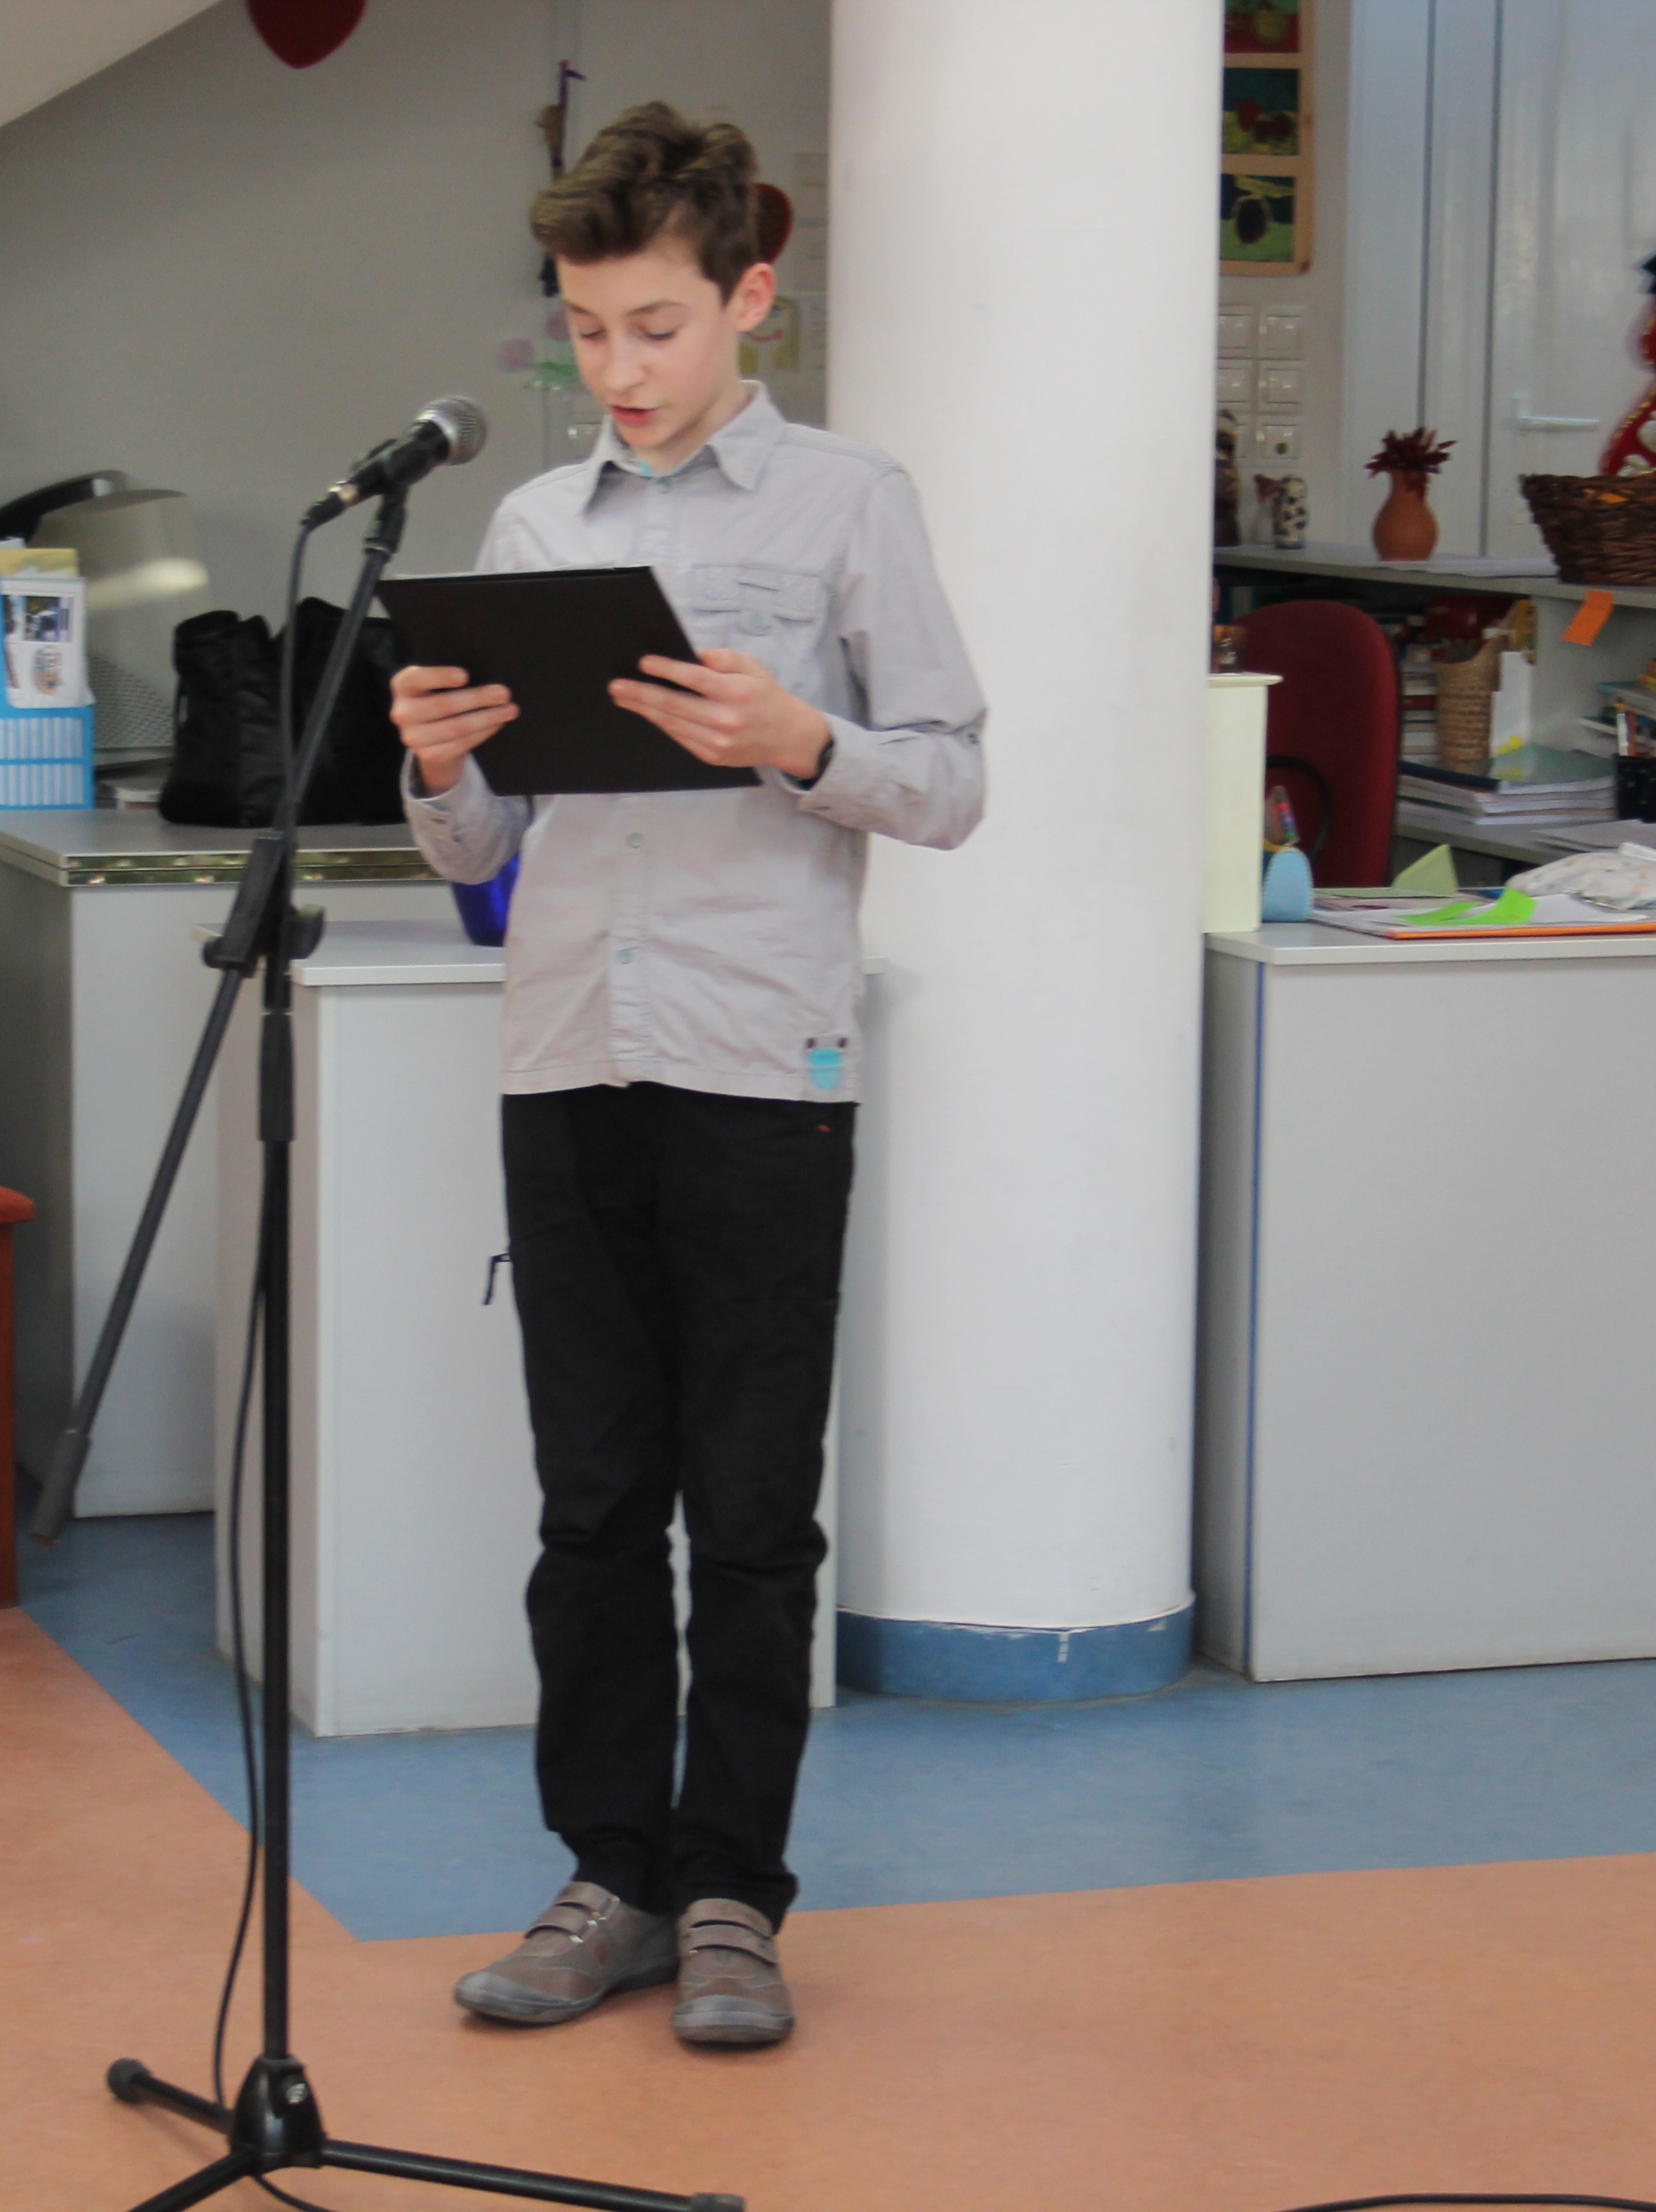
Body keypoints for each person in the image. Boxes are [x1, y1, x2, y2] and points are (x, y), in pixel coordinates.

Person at [388, 103, 983, 2048]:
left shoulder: (848, 502)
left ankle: (732, 1891)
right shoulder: (531, 527)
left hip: (759, 1062)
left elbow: (951, 782)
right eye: (585, 330)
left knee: (747, 1512)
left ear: (750, 297)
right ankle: (608, 1878)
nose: (618, 369)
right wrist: (438, 762)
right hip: (567, 1051)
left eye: (653, 325)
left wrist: (798, 737)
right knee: (589, 1507)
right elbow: (480, 850)